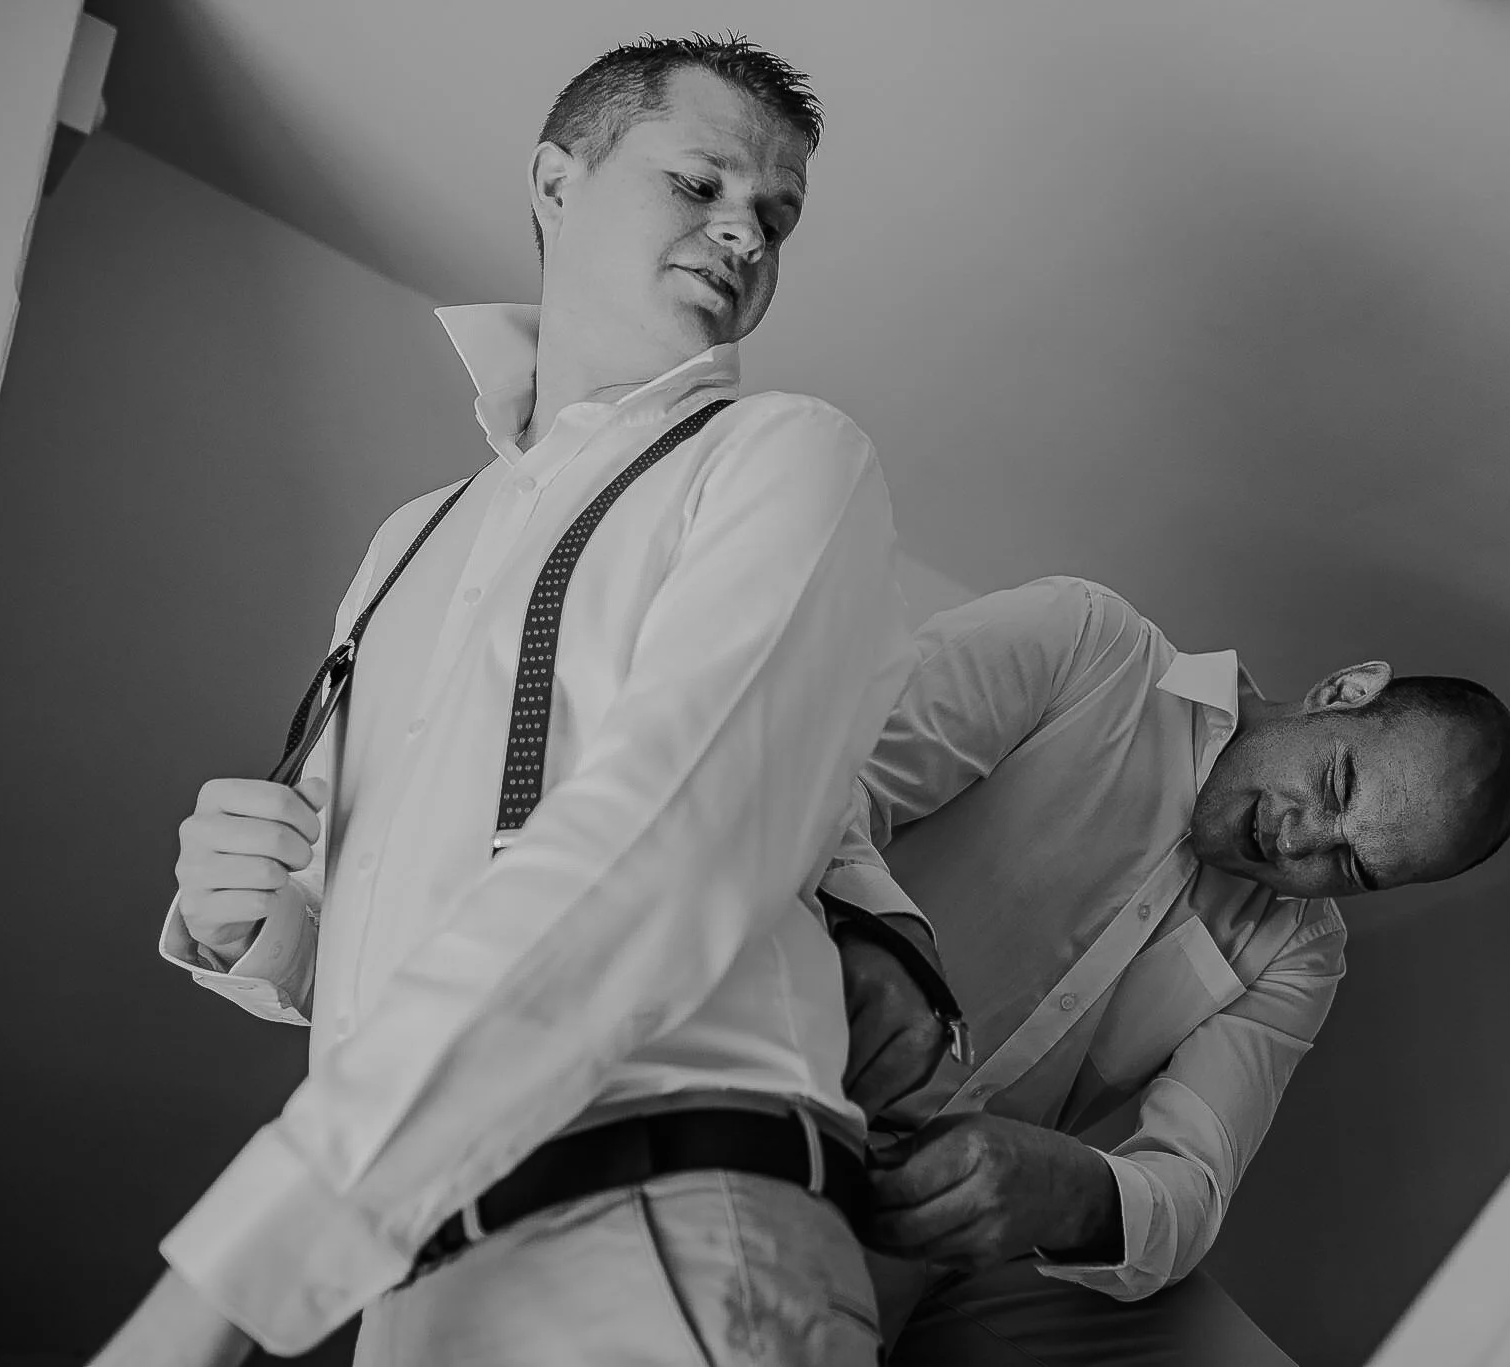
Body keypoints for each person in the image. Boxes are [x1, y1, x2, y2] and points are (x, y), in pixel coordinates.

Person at [86, 35, 917, 1367]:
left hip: (656, 1225)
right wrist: (254, 923)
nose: (744, 233)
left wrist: (219, 1287)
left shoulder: (784, 456)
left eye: (776, 215)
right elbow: (386, 929)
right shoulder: (409, 540)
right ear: (555, 181)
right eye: (699, 182)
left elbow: (661, 851)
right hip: (405, 1270)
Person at [821, 575, 1510, 1366]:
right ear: (1342, 690)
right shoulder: (1084, 644)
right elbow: (821, 788)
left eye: (1352, 866)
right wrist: (888, 944)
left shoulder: (1300, 951)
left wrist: (1070, 1194)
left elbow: (1191, 1184)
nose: (1299, 842)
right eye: (1336, 785)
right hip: (780, 1055)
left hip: (951, 1230)